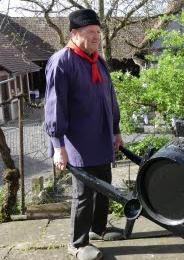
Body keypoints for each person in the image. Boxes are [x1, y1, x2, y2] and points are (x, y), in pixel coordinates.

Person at [44, 8, 123, 260]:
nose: (96, 37)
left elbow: (110, 97)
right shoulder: (62, 61)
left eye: (98, 32)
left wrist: (116, 130)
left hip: (102, 139)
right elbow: (56, 106)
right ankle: (77, 243)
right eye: (91, 32)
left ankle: (99, 228)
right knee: (84, 194)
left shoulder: (97, 60)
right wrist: (58, 146)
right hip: (77, 143)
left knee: (105, 186)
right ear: (74, 33)